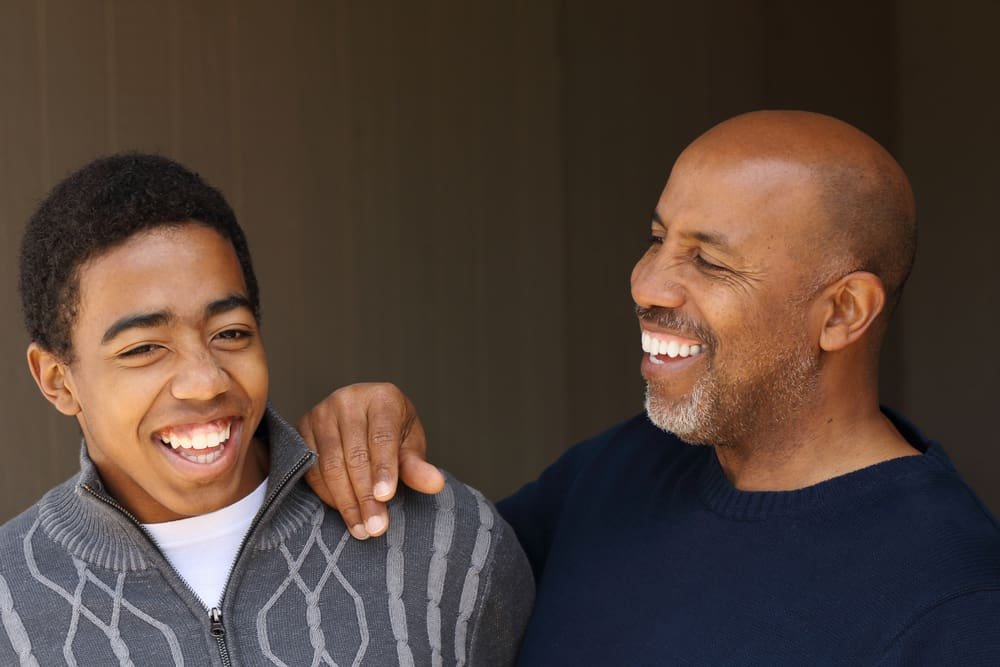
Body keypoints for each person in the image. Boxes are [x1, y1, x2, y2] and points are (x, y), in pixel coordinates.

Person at [301, 111, 1000, 664]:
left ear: (843, 312)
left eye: (710, 261)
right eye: (657, 237)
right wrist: (365, 438)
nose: (646, 284)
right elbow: (426, 599)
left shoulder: (954, 602)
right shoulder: (623, 467)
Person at [0, 153, 532, 665]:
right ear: (57, 379)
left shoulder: (443, 545)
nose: (205, 382)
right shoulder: (10, 606)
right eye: (143, 348)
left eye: (230, 333)